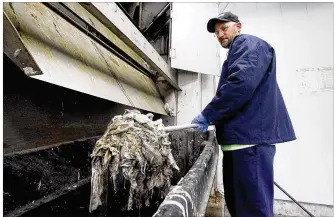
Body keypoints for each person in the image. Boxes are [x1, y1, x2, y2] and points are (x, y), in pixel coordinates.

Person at [191, 11, 296, 217]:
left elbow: (241, 84)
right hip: (240, 144)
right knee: (241, 208)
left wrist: (208, 115)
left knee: (253, 210)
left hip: (249, 145)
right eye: (216, 32)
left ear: (238, 26)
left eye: (224, 28)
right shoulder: (237, 51)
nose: (220, 34)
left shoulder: (248, 44)